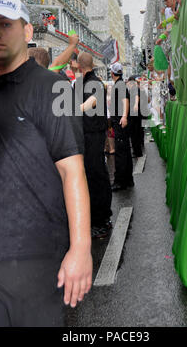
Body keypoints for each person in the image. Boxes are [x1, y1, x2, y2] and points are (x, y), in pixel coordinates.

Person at [0, 0, 92, 327]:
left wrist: (81, 249)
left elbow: (73, 171)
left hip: (33, 258)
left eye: (6, 25)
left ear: (27, 33)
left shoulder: (56, 88)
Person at [77, 52, 112, 238]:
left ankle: (102, 221)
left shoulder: (94, 83)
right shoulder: (80, 84)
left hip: (93, 136)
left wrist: (78, 108)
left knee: (97, 174)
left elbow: (93, 100)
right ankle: (96, 218)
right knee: (91, 176)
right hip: (86, 135)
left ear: (79, 66)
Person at [110, 62, 134, 191]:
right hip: (121, 121)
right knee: (125, 151)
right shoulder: (120, 85)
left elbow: (125, 101)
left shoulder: (119, 86)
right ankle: (128, 179)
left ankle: (120, 181)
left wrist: (124, 116)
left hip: (120, 122)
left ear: (112, 73)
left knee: (120, 152)